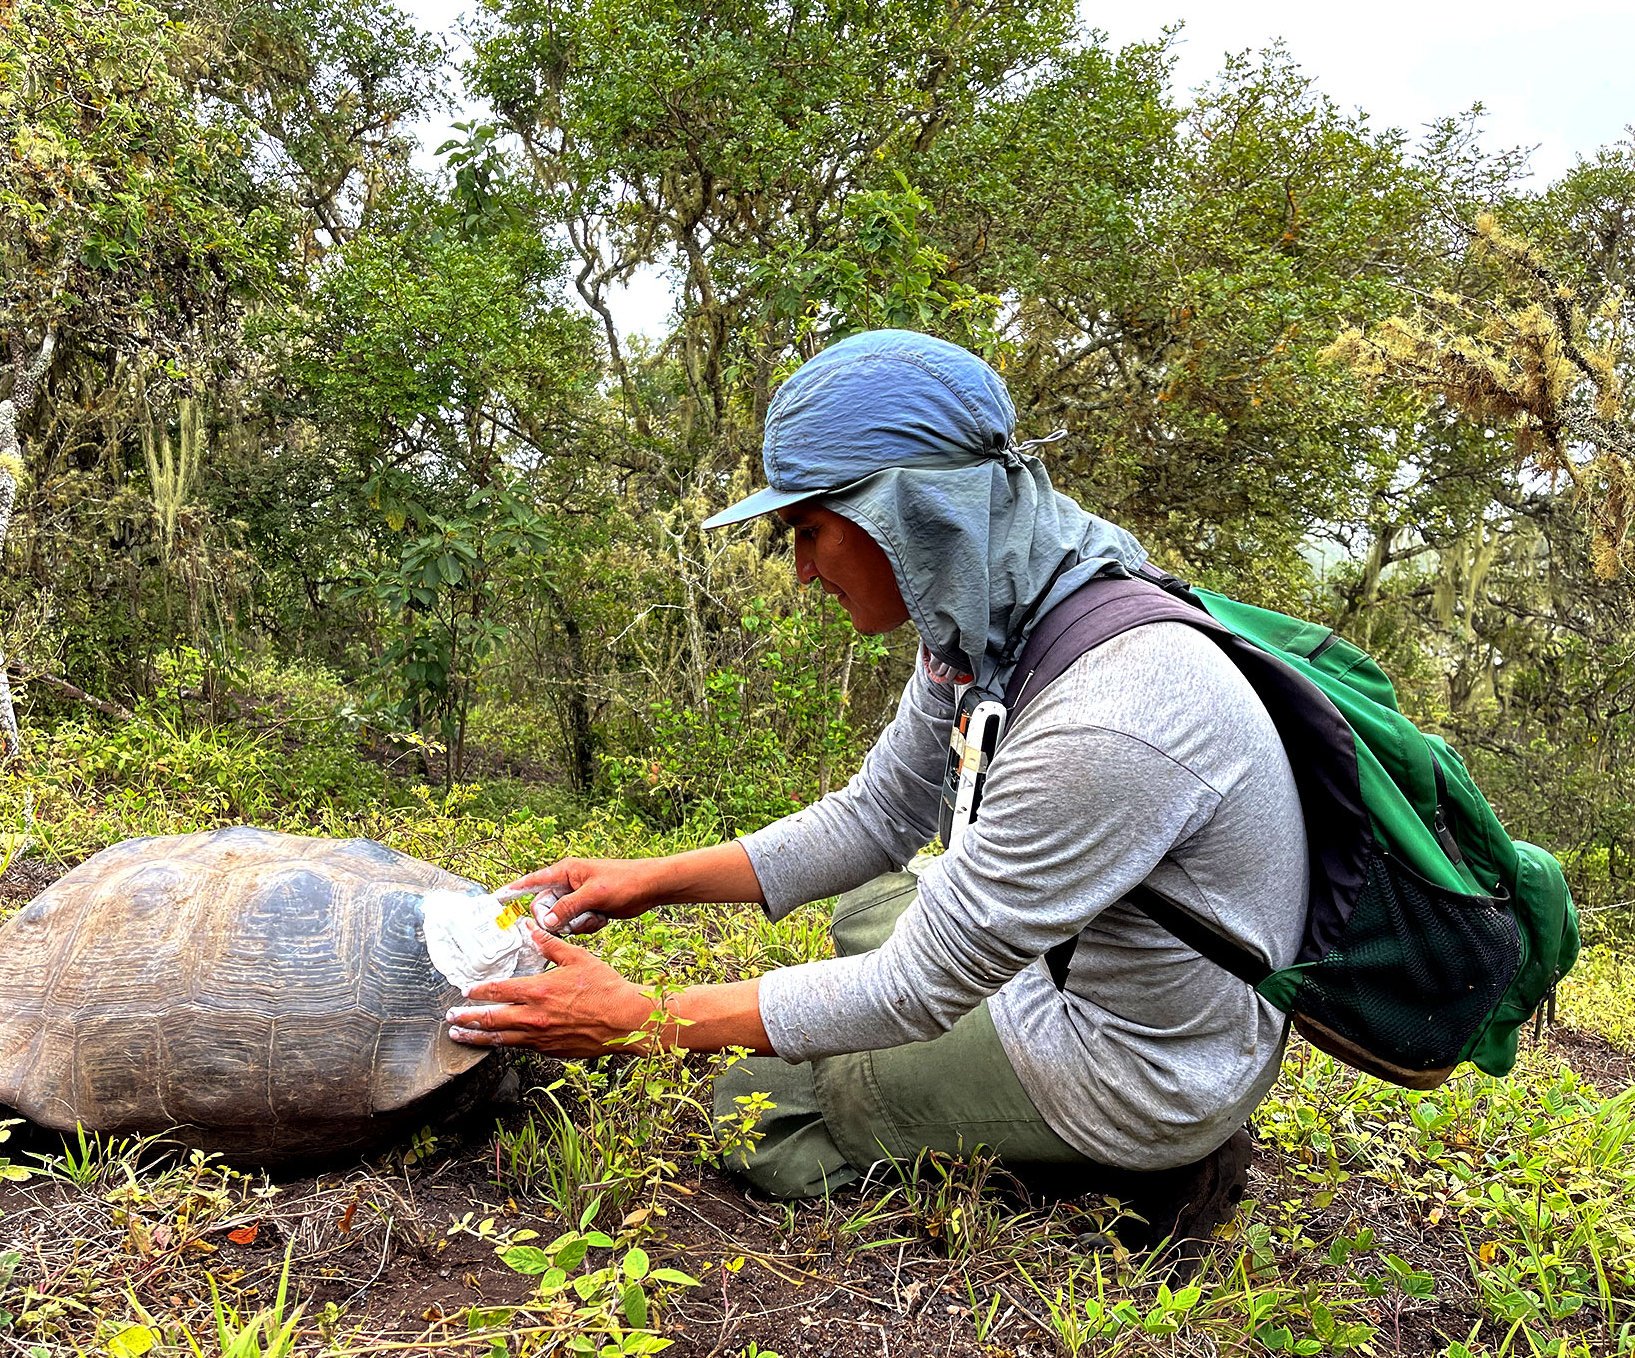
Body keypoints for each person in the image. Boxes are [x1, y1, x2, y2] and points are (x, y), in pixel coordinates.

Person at [445, 329, 1308, 1247]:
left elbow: (915, 988)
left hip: (1139, 1059)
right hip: (1061, 967)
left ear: (913, 510)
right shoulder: (993, 622)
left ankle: (1155, 1162)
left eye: (809, 530)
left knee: (767, 1108)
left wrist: (643, 1020)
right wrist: (647, 879)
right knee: (866, 906)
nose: (803, 570)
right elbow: (879, 815)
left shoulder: (1109, 711)